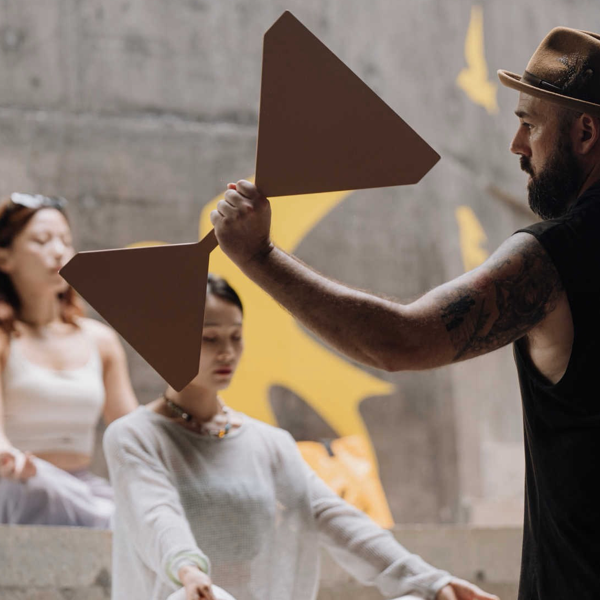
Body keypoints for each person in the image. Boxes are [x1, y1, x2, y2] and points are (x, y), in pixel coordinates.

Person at [210, 27, 600, 600]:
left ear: (585, 132)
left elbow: (402, 340)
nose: (517, 145)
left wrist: (259, 256)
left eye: (530, 124)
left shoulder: (556, 256)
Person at [103, 274, 497, 600]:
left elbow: (338, 519)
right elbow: (155, 514)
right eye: (210, 338)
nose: (227, 352)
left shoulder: (268, 443)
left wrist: (431, 582)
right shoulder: (134, 436)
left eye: (236, 336)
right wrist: (188, 570)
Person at [0, 192, 138, 528]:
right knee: (34, 487)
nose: (58, 251)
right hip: (18, 487)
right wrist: (10, 460)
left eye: (65, 240)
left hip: (83, 490)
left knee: (139, 512)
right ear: (5, 258)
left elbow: (133, 434)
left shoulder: (100, 340)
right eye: (42, 241)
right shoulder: (4, 337)